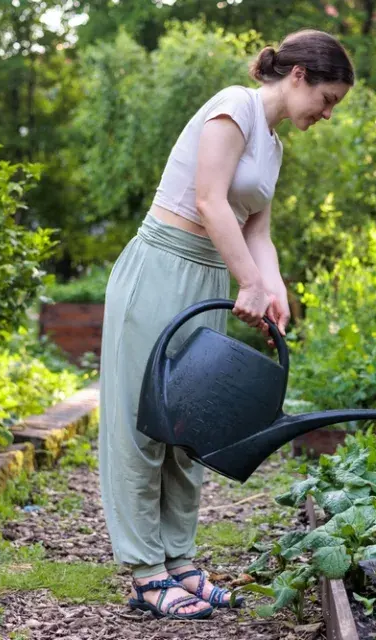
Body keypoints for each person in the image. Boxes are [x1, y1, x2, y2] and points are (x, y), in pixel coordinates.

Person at [98, 29, 354, 621]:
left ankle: (180, 561)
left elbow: (256, 228)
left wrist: (274, 289)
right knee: (142, 424)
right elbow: (210, 201)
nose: (326, 113)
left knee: (191, 424)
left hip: (209, 275)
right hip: (160, 266)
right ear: (297, 77)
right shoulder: (232, 107)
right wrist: (249, 284)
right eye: (328, 98)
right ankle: (144, 571)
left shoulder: (275, 147)